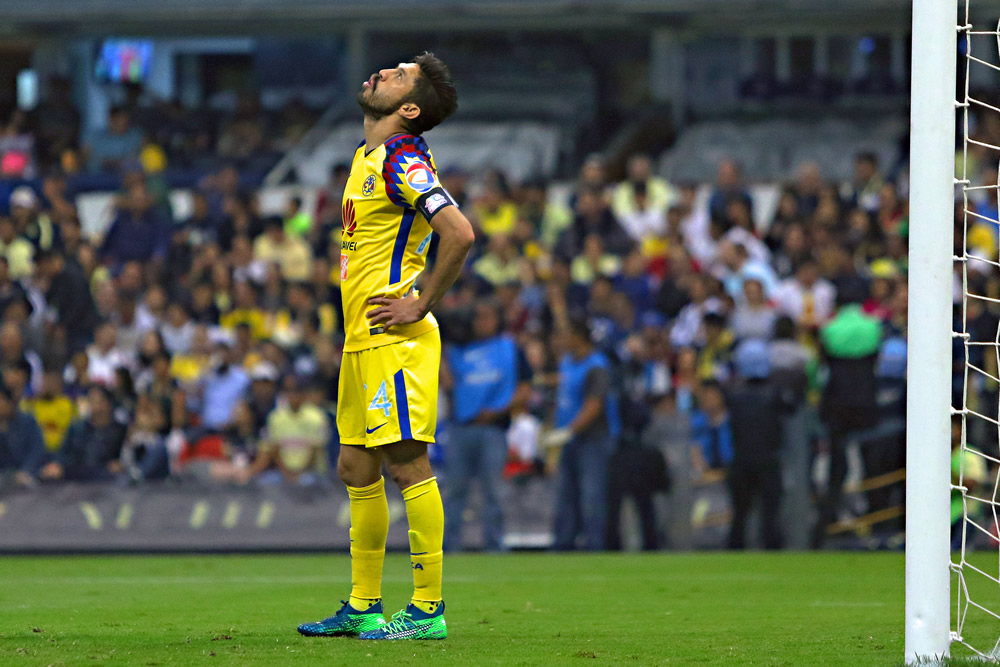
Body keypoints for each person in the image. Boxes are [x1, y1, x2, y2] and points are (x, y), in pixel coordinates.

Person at [296, 52, 470, 642]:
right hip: (360, 337)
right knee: (355, 464)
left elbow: (459, 232)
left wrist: (420, 301)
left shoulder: (402, 159)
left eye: (397, 76)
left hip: (394, 335)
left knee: (406, 460)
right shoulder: (367, 156)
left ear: (409, 108)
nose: (380, 74)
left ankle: (427, 609)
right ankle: (364, 605)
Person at [443, 300, 532, 552]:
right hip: (461, 427)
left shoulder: (510, 348)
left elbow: (525, 389)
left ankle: (495, 545)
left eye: (487, 317)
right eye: (477, 317)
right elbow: (447, 384)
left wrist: (497, 410)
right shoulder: (457, 350)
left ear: (498, 320)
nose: (481, 323)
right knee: (455, 491)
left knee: (494, 490)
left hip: (494, 428)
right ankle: (449, 547)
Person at [544, 319, 621, 551]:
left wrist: (567, 431)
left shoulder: (596, 365)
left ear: (579, 337)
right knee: (566, 495)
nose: (561, 340)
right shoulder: (567, 362)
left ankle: (594, 545)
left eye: (566, 334)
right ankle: (563, 545)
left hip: (593, 440)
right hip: (570, 440)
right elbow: (564, 400)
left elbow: (594, 406)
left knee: (592, 495)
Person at [724, 340, 789, 549]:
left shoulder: (733, 394)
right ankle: (772, 550)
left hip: (741, 460)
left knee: (740, 514)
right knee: (770, 514)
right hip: (768, 459)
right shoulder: (775, 393)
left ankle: (736, 552)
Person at [250, 375, 329, 484]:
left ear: (303, 395)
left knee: (306, 481)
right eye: (290, 393)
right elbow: (274, 449)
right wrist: (286, 472)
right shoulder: (276, 417)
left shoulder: (316, 416)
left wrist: (299, 474)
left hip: (310, 471)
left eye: (297, 393)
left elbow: (315, 451)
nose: (293, 396)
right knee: (265, 481)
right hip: (283, 472)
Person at [0, 384, 46, 488]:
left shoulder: (28, 422)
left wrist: (26, 471)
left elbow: (36, 450)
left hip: (27, 474)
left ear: (11, 402)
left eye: (2, 400)